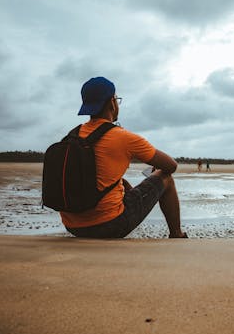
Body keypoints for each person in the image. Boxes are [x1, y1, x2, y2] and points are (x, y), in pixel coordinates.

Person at [60, 76, 187, 239]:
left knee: (120, 182)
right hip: (110, 225)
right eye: (116, 100)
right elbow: (171, 166)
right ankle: (177, 234)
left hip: (73, 226)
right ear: (112, 103)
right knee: (165, 177)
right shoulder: (123, 137)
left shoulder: (72, 136)